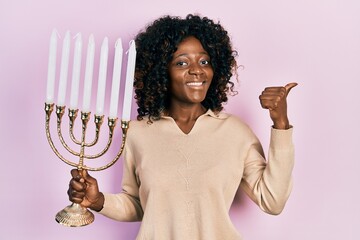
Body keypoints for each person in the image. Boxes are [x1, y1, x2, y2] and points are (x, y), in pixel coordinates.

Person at [68, 14, 297, 239]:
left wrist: (280, 123)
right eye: (182, 62)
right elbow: (140, 205)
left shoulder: (235, 132)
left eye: (204, 61)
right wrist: (98, 201)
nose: (197, 70)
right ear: (160, 72)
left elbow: (273, 201)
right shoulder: (137, 133)